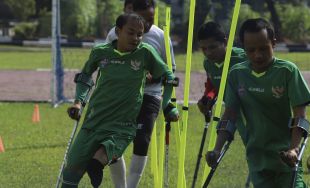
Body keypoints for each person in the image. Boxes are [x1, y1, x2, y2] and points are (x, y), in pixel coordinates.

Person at [62, 13, 178, 188]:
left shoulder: (145, 53)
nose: (136, 38)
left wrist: (167, 104)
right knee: (71, 170)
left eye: (139, 34)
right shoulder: (101, 52)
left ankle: (97, 165)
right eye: (131, 33)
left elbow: (168, 77)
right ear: (118, 31)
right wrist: (78, 102)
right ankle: (90, 168)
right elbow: (85, 77)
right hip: (94, 120)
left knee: (102, 155)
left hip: (122, 126)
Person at [206, 18, 310, 188]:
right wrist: (217, 149)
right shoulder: (237, 74)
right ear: (244, 48)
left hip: (286, 158)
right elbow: (230, 115)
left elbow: (300, 116)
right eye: (251, 50)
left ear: (274, 43)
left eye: (264, 48)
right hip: (257, 158)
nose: (258, 55)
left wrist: (294, 149)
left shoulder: (287, 71)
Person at [105, 0, 178, 188]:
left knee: (142, 139)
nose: (147, 25)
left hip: (150, 95)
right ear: (131, 13)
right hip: (121, 96)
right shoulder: (114, 34)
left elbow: (170, 71)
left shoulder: (161, 36)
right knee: (113, 141)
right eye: (143, 19)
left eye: (151, 19)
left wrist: (154, 77)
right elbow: (108, 63)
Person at [196, 21, 248, 145]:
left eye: (213, 47)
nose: (208, 53)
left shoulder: (243, 58)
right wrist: (207, 98)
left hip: (256, 112)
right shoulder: (208, 63)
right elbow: (213, 84)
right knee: (252, 150)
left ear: (225, 41)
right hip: (235, 113)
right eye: (204, 48)